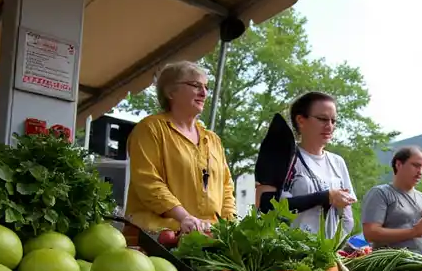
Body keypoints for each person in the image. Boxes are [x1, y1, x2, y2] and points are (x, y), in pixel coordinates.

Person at [125, 61, 236, 233]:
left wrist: (228, 226)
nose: (204, 93)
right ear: (170, 91)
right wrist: (184, 218)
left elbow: (226, 187)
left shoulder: (213, 140)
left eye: (206, 87)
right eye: (195, 85)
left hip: (209, 239)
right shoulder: (150, 129)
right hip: (158, 237)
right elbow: (147, 181)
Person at [254, 92, 356, 237]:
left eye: (333, 121)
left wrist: (335, 248)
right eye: (322, 119)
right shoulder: (283, 156)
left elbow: (347, 218)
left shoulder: (338, 162)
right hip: (288, 253)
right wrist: (324, 197)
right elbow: (266, 207)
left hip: (328, 255)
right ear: (301, 120)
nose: (329, 126)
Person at [361, 146, 422, 258]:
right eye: (416, 165)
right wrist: (413, 232)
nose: (420, 171)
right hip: (395, 269)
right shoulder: (381, 193)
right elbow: (370, 234)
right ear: (398, 164)